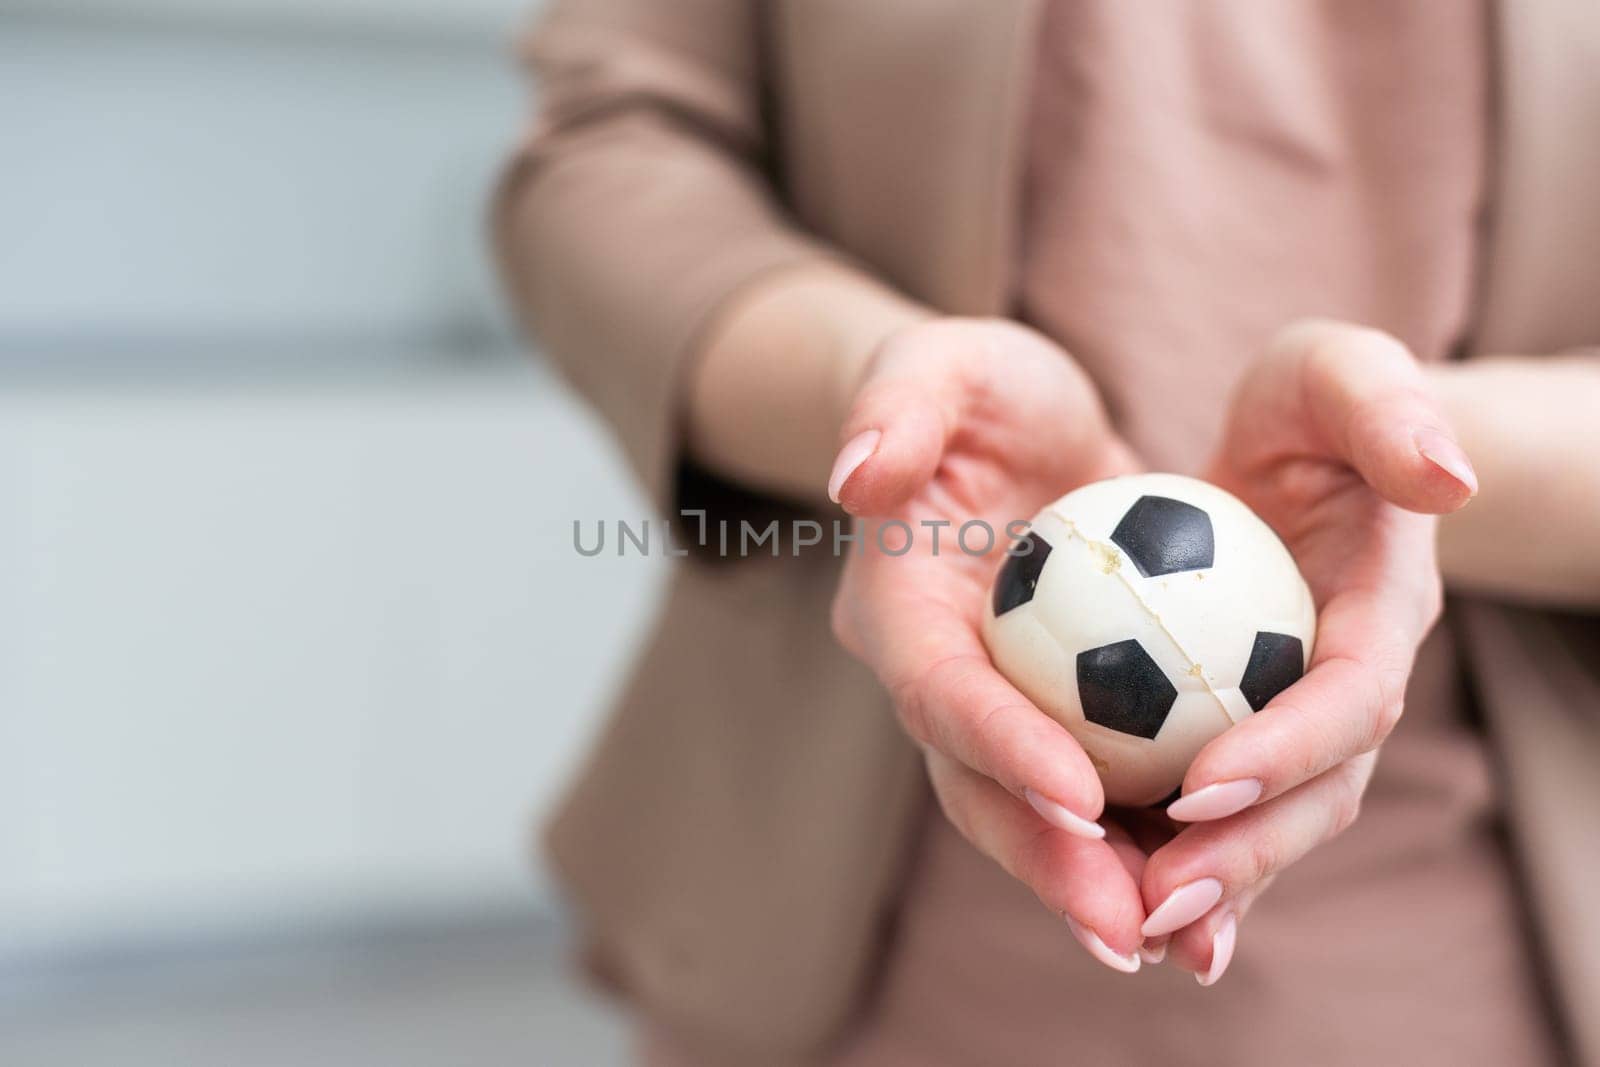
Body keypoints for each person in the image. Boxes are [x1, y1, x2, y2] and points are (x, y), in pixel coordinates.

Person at [495, 2, 1600, 1064]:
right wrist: (884, 396)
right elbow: (606, 151)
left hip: (1493, 952)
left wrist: (1412, 457)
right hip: (842, 949)